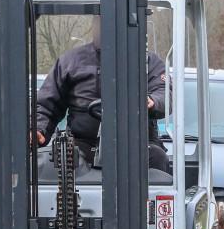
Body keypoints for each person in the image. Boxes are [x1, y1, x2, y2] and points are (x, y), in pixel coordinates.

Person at [35, 18, 169, 172]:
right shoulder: (71, 61)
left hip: (136, 144)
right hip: (83, 143)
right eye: (101, 20)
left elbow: (164, 92)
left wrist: (152, 101)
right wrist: (39, 129)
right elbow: (47, 104)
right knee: (56, 160)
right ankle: (65, 196)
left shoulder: (148, 62)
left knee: (158, 158)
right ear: (95, 24)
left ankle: (146, 196)